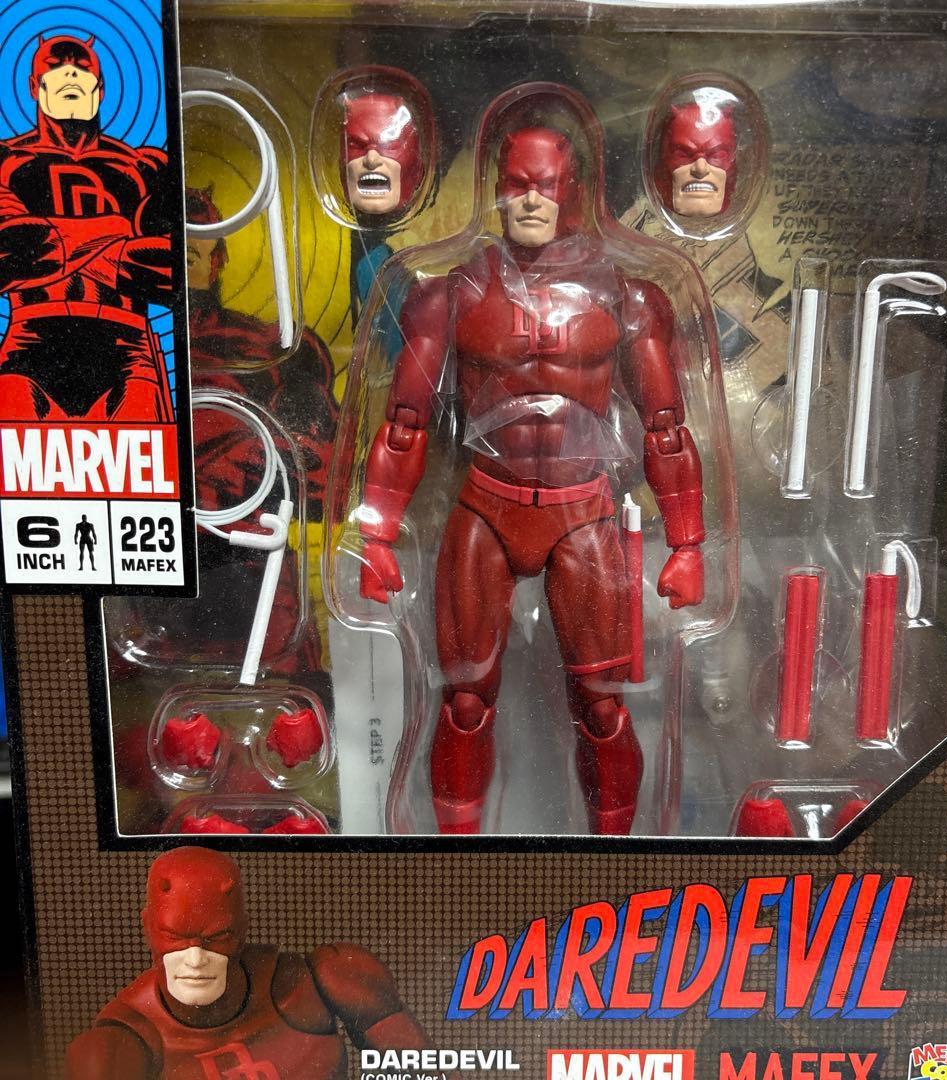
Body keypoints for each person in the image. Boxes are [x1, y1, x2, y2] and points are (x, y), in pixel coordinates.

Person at [357, 123, 708, 835]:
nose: (529, 200)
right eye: (517, 185)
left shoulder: (628, 299)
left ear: (573, 190)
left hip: (584, 512)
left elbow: (666, 427)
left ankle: (614, 861)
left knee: (602, 707)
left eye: (544, 186)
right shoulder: (451, 295)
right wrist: (377, 534)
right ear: (496, 189)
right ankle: (455, 858)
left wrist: (688, 542)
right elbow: (404, 423)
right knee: (464, 702)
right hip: (487, 505)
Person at [66, 847, 431, 1077]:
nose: (195, 959)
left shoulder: (314, 982)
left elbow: (424, 1072)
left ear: (241, 931)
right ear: (149, 928)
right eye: (175, 938)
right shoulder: (124, 1040)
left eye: (216, 938)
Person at [0, 34, 173, 421]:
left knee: (146, 452)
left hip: (128, 346)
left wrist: (53, 243)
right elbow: (12, 252)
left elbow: (173, 268)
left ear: (101, 88)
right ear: (34, 86)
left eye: (81, 67)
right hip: (29, 342)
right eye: (55, 66)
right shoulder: (6, 160)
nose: (70, 73)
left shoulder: (146, 166)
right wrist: (117, 232)